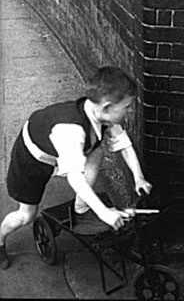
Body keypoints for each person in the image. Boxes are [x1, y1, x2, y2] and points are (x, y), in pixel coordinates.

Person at [0, 65, 153, 269]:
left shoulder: (101, 114)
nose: (129, 111)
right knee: (26, 216)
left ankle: (81, 208)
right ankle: (0, 239)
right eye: (126, 107)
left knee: (97, 149)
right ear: (107, 107)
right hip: (33, 158)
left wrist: (138, 177)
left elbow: (123, 145)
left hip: (60, 147)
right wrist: (104, 212)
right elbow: (75, 177)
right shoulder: (70, 131)